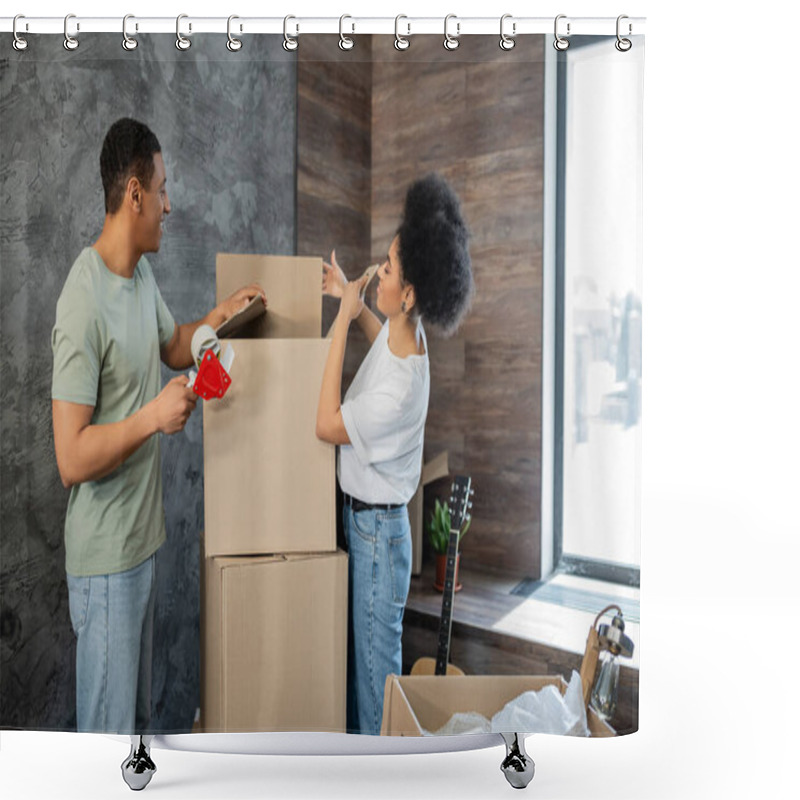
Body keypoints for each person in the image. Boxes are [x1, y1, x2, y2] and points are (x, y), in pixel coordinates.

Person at [51, 118, 265, 736]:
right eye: (163, 190)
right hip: (104, 562)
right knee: (108, 740)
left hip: (140, 546)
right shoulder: (82, 299)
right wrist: (151, 418)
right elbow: (70, 456)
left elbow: (171, 343)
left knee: (135, 732)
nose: (170, 205)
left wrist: (222, 315)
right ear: (135, 195)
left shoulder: (139, 276)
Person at [316, 173, 473, 735]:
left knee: (373, 686)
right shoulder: (406, 334)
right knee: (366, 674)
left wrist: (338, 321)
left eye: (386, 267)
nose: (377, 271)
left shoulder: (401, 388)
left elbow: (325, 422)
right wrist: (349, 300)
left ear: (408, 294)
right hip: (370, 530)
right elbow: (378, 333)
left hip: (378, 540)